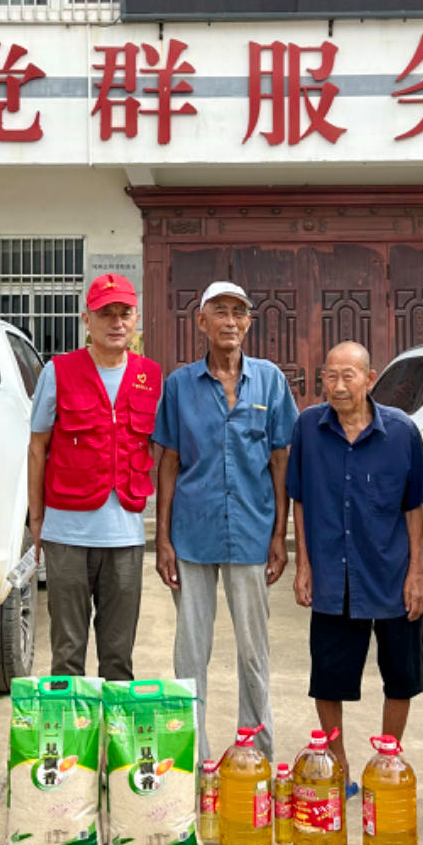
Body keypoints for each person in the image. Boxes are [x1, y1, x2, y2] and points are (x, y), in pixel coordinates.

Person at [153, 280, 297, 763]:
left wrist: (280, 534)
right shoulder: (180, 385)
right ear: (202, 321)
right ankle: (193, 757)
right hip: (192, 532)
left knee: (254, 651)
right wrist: (163, 539)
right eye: (220, 311)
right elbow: (169, 461)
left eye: (239, 312)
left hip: (253, 531)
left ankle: (255, 755)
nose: (230, 321)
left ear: (249, 322)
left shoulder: (270, 381)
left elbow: (280, 459)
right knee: (191, 650)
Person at [289, 342, 423, 783]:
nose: (338, 386)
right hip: (333, 574)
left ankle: (387, 761)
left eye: (348, 376)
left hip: (390, 571)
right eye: (330, 376)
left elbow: (413, 506)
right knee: (328, 676)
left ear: (370, 380)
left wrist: (417, 573)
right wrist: (303, 565)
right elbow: (299, 498)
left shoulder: (402, 431)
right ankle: (339, 765)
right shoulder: (308, 428)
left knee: (401, 675)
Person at [28, 273, 162, 680]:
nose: (116, 323)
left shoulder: (150, 375)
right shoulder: (59, 371)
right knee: (67, 654)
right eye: (105, 314)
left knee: (119, 658)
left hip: (125, 537)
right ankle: (69, 726)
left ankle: (114, 726)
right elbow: (37, 448)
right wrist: (38, 520)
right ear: (87, 319)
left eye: (124, 313)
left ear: (136, 318)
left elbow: (160, 449)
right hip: (67, 533)